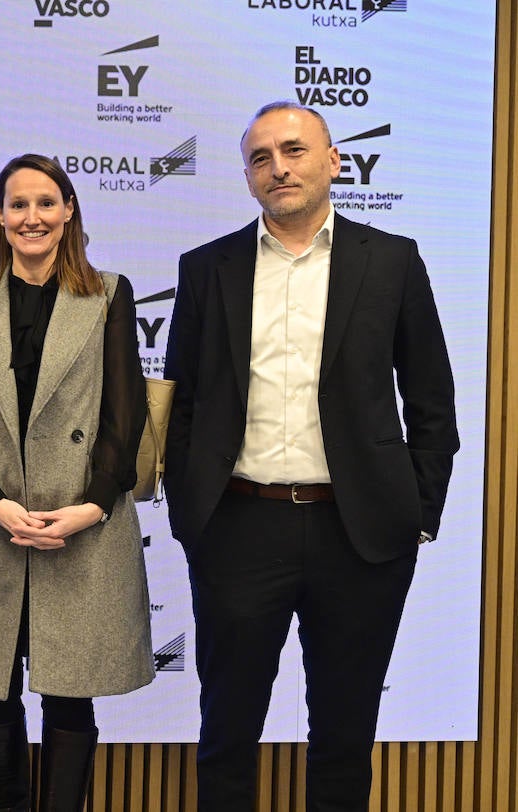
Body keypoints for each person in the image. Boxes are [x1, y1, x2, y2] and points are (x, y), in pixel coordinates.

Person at [164, 101, 459, 811]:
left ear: (333, 161)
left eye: (294, 150)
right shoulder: (207, 268)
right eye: (261, 158)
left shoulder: (392, 260)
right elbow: (182, 403)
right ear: (247, 177)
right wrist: (191, 516)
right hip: (238, 526)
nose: (279, 167)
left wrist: (417, 514)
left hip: (360, 535)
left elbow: (431, 401)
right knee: (227, 733)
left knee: (344, 737)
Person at [0, 153, 154, 812]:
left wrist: (92, 506)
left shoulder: (109, 293)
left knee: (70, 694)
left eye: (46, 203)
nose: (33, 217)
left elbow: (124, 412)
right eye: (18, 204)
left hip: (80, 524)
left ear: (69, 211)